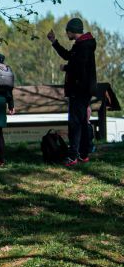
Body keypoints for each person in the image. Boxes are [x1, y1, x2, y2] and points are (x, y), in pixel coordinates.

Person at [47, 18, 97, 165]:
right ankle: (83, 154)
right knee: (81, 122)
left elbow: (79, 67)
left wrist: (65, 68)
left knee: (75, 123)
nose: (66, 34)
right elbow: (69, 56)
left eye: (67, 31)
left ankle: (73, 156)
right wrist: (54, 42)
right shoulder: (82, 44)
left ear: (71, 31)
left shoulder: (84, 46)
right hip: (83, 89)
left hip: (79, 89)